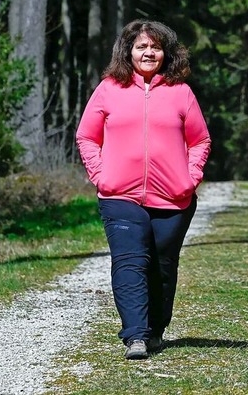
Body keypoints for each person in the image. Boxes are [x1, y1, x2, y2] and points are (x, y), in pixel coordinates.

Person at [76, 19, 211, 360]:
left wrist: (189, 178)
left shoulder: (181, 92)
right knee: (130, 262)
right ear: (128, 51)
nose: (149, 52)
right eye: (141, 47)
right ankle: (135, 334)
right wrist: (101, 175)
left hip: (174, 199)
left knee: (162, 266)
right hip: (119, 195)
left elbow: (200, 140)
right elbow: (87, 137)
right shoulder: (109, 88)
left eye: (156, 47)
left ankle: (155, 329)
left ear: (166, 53)